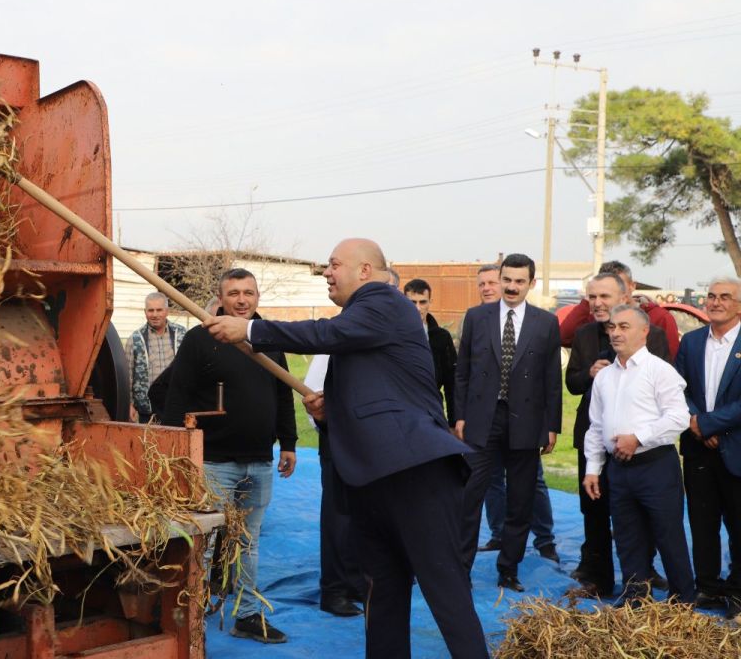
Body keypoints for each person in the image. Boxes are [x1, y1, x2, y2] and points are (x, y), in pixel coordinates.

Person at [205, 239, 488, 659]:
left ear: (365, 271)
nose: (326, 272)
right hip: (374, 480)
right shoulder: (362, 322)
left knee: (444, 589)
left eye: (334, 264)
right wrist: (329, 412)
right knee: (383, 590)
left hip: (415, 474)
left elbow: (325, 333)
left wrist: (248, 330)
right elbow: (378, 395)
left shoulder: (385, 301)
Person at [161, 269, 297, 644]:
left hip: (259, 460)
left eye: (248, 292)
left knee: (248, 543)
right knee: (202, 545)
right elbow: (176, 394)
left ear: (257, 297)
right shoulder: (200, 339)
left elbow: (283, 393)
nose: (241, 299)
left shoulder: (268, 338)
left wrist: (288, 442)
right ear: (220, 299)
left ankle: (248, 615)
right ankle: (191, 620)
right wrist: (174, 448)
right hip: (213, 462)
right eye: (233, 293)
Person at [454, 253, 561, 592]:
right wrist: (459, 415)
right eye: (507, 280)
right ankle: (459, 570)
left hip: (526, 421)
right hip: (481, 419)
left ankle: (509, 570)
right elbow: (462, 371)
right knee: (470, 497)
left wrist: (552, 425)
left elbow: (551, 378)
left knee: (520, 499)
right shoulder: (476, 317)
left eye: (519, 281)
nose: (512, 287)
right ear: (499, 279)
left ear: (531, 283)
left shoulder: (546, 323)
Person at [566, 272, 671, 597]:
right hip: (593, 436)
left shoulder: (651, 334)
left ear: (624, 298)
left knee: (640, 511)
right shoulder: (584, 334)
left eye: (605, 296)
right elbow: (572, 383)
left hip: (638, 443)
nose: (597, 303)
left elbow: (662, 387)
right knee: (594, 509)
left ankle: (642, 575)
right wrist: (590, 373)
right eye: (592, 297)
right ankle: (597, 578)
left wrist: (641, 435)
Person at [583, 304, 695, 603]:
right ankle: (635, 599)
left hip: (655, 466)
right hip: (618, 469)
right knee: (627, 536)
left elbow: (679, 417)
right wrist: (593, 468)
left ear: (644, 331)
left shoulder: (660, 371)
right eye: (612, 327)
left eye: (624, 327)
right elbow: (596, 425)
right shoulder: (604, 376)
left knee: (668, 536)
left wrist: (638, 438)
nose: (615, 333)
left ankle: (682, 600)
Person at [676, 277, 741, 611]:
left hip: (736, 450)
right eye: (711, 296)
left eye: (725, 297)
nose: (716, 302)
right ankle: (708, 587)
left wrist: (707, 423)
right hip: (698, 449)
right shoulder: (691, 341)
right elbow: (678, 389)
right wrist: (696, 423)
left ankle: (738, 591)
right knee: (702, 524)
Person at [305, 354, 365, 617]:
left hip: (370, 445)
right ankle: (334, 590)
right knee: (338, 519)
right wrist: (325, 425)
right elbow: (313, 394)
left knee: (363, 519)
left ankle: (355, 583)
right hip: (338, 443)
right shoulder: (331, 347)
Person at [560, 259, 679, 356]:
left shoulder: (659, 317)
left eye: (619, 285)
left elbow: (669, 363)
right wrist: (589, 297)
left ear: (632, 286)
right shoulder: (596, 318)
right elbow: (564, 338)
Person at [403, 278, 457, 426]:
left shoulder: (441, 338)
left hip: (432, 412)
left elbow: (451, 383)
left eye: (422, 302)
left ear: (429, 302)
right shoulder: (392, 335)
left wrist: (453, 422)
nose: (418, 308)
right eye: (412, 302)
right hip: (401, 413)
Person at [125, 292, 186, 422]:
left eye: (159, 310)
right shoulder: (135, 339)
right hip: (147, 412)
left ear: (167, 311)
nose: (155, 315)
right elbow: (127, 375)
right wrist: (128, 404)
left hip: (176, 409)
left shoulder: (182, 335)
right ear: (145, 312)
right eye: (150, 310)